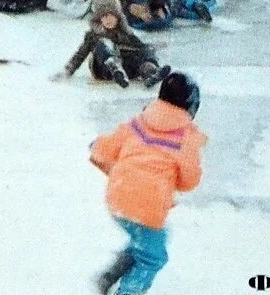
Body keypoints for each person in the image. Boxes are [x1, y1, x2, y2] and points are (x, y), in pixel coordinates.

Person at [88, 72, 206, 295]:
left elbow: (104, 150)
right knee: (153, 258)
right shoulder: (186, 138)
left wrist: (96, 145)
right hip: (148, 206)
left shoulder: (138, 123)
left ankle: (109, 276)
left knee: (149, 240)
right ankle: (128, 292)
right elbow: (190, 181)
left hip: (117, 197)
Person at [53, 0, 168, 88]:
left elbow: (141, 48)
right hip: (103, 69)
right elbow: (79, 55)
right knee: (104, 44)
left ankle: (150, 73)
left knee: (143, 52)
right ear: (99, 19)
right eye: (104, 17)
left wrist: (151, 51)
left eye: (111, 16)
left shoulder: (126, 33)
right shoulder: (93, 35)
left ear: (118, 18)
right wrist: (67, 71)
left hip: (126, 69)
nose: (108, 20)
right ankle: (114, 65)